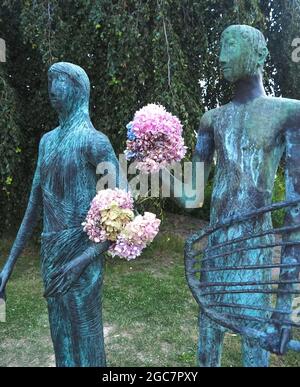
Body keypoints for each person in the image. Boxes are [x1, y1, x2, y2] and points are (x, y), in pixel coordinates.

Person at [163, 25, 300, 367]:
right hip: (214, 253)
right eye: (219, 46)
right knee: (207, 345)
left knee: (254, 349)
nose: (221, 57)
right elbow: (192, 196)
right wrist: (158, 168)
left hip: (255, 254)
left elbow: (295, 214)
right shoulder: (212, 120)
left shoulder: (288, 113)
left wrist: (283, 309)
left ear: (257, 53)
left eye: (229, 45)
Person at [0, 62, 126, 367]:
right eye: (50, 81)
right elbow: (34, 206)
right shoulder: (47, 142)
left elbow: (123, 209)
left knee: (87, 337)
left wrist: (85, 258)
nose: (53, 89)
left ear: (79, 89)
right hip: (52, 254)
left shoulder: (94, 142)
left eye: (61, 81)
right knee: (61, 338)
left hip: (82, 254)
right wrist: (8, 267)